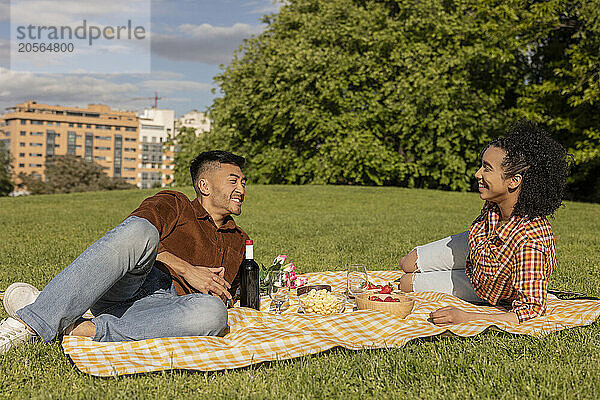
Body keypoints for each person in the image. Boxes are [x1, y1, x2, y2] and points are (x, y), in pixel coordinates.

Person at [0, 150, 249, 353]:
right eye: (233, 181)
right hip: (129, 284)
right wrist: (187, 270)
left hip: (163, 311)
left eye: (243, 182)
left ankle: (79, 327)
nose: (241, 189)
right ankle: (29, 322)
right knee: (141, 231)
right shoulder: (174, 203)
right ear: (204, 185)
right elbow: (132, 235)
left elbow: (234, 295)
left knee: (214, 314)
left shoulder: (240, 240)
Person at [398, 120, 569, 326]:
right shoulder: (496, 203)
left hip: (485, 285)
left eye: (486, 169)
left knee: (406, 284)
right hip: (480, 250)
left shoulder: (530, 241)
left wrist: (467, 316)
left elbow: (529, 311)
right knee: (407, 263)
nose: (478, 174)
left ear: (514, 181)